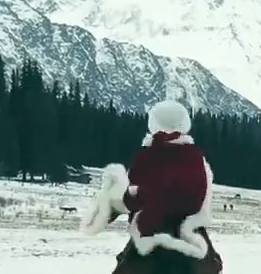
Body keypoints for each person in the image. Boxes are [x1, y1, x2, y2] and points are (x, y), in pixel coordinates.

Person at [81, 99, 218, 261]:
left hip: (149, 228)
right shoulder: (197, 156)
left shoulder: (144, 156)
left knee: (125, 265)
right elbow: (204, 198)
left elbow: (132, 198)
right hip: (187, 229)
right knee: (213, 262)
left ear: (153, 123)